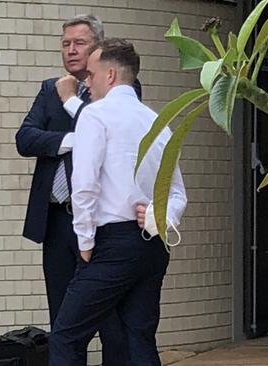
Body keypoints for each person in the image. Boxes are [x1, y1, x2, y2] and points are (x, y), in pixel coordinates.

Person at [48, 38, 187, 366]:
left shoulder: (95, 115)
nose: (86, 82)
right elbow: (178, 193)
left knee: (66, 335)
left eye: (91, 75)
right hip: (153, 245)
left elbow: (83, 185)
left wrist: (85, 241)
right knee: (138, 337)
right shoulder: (158, 121)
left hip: (111, 244)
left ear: (110, 75)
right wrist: (159, 215)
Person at [15, 14, 140, 365]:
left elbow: (110, 129)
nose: (71, 50)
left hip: (102, 223)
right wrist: (73, 140)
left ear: (98, 47)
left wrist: (73, 105)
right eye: (65, 43)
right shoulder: (50, 88)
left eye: (79, 43)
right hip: (57, 221)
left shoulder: (121, 89)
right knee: (64, 321)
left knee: (112, 322)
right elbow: (25, 138)